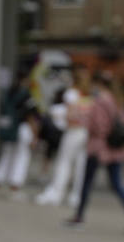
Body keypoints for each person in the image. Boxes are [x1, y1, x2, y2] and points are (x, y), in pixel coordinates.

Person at [64, 72, 124, 235]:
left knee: (87, 183)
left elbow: (98, 125)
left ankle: (79, 217)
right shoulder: (119, 100)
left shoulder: (101, 100)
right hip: (116, 148)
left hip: (99, 147)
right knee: (117, 184)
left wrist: (87, 123)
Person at [36, 72, 90, 207]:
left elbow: (69, 114)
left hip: (73, 131)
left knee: (64, 162)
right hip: (85, 132)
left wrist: (60, 115)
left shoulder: (71, 93)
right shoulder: (89, 96)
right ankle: (76, 196)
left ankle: (57, 192)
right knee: (81, 164)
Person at [0, 72, 35, 198]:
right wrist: (35, 132)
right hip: (22, 128)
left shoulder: (7, 94)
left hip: (8, 128)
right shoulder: (25, 95)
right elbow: (30, 115)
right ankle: (15, 186)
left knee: (6, 155)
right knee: (22, 157)